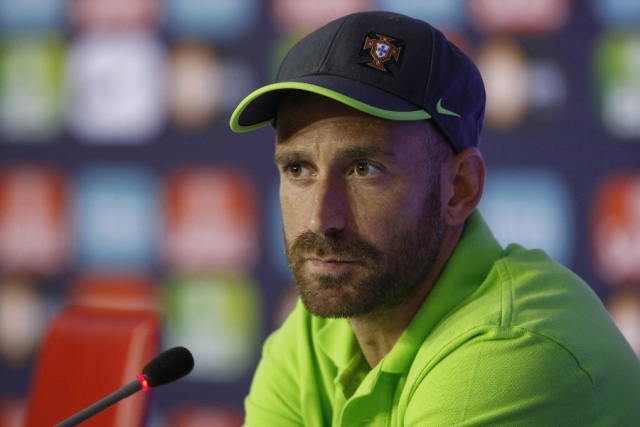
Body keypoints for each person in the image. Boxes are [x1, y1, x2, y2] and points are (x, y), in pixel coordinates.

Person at [229, 11, 640, 426]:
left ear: (459, 188)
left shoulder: (511, 351)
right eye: (298, 169)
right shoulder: (315, 336)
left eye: (364, 169)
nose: (320, 219)